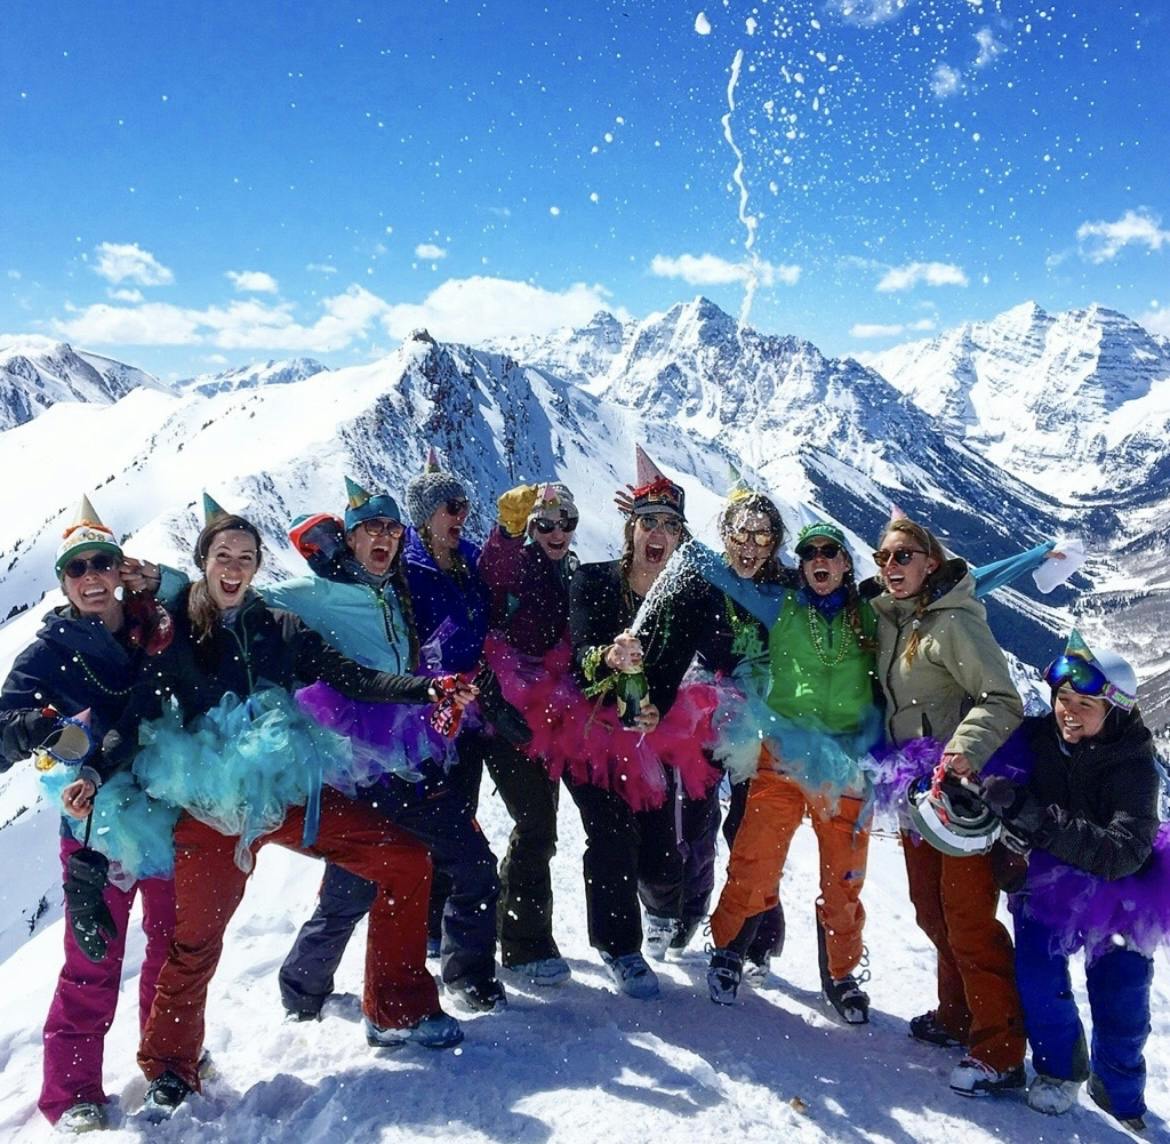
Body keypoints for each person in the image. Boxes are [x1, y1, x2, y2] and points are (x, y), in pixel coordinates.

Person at [117, 499, 465, 1118]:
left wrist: (427, 688)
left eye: (245, 558)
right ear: (203, 562)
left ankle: (397, 1008)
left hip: (283, 789)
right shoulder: (177, 625)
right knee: (196, 939)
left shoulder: (279, 626)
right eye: (222, 556)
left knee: (407, 861)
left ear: (256, 568)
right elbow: (136, 689)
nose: (234, 568)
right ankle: (170, 1068)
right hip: (210, 801)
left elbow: (354, 678)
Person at [272, 477, 505, 1015]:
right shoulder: (317, 593)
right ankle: (302, 990)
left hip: (413, 755)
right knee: (355, 885)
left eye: (392, 529)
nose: (383, 537)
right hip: (357, 765)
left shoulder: (395, 589)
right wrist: (164, 584)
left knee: (471, 864)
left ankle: (466, 977)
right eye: (371, 529)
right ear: (349, 538)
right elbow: (241, 597)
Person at [0, 497, 176, 1133]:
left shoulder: (156, 622)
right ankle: (72, 1091)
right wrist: (36, 728)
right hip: (94, 825)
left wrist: (160, 579)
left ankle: (169, 1059)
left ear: (120, 568)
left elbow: (216, 598)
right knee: (93, 956)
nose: (92, 576)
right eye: (77, 568)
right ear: (63, 583)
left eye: (102, 562)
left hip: (169, 808)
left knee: (175, 946)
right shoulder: (47, 654)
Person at [686, 521, 880, 1022]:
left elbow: (943, 586)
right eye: (809, 552)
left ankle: (841, 976)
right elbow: (720, 573)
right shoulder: (784, 606)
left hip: (846, 764)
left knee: (844, 878)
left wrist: (1036, 556)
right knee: (755, 858)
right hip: (783, 756)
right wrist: (662, 516)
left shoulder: (872, 614)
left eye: (830, 551)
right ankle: (728, 951)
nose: (819, 559)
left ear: (845, 563)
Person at [982, 632, 1165, 1131]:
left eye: (1086, 704)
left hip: (1122, 889)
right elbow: (992, 771)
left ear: (1115, 709)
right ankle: (1059, 1067)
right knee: (1038, 975)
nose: (1069, 712)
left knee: (1121, 993)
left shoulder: (1134, 766)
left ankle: (1119, 1090)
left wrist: (1036, 819)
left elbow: (1121, 853)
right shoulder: (1037, 738)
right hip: (1049, 878)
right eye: (1063, 698)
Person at [870, 515, 1026, 1097]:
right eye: (883, 557)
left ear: (930, 562)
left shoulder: (954, 622)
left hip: (960, 792)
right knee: (931, 910)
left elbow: (1001, 698)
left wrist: (964, 750)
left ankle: (1000, 1050)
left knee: (967, 919)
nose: (891, 567)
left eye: (903, 556)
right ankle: (957, 1014)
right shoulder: (893, 618)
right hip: (916, 792)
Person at [566, 446, 720, 999]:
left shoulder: (686, 600)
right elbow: (579, 656)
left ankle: (659, 910)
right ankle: (619, 947)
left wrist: (656, 707)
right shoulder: (592, 581)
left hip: (648, 736)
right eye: (649, 522)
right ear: (630, 530)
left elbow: (687, 663)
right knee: (610, 837)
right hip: (588, 730)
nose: (659, 533)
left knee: (660, 858)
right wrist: (608, 657)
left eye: (671, 526)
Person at [478, 481, 579, 986]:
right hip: (506, 709)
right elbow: (493, 568)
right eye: (546, 523)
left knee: (540, 823)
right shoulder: (517, 561)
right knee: (537, 825)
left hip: (551, 714)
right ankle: (524, 943)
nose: (557, 531)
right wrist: (507, 529)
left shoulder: (569, 570)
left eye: (567, 522)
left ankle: (504, 925)